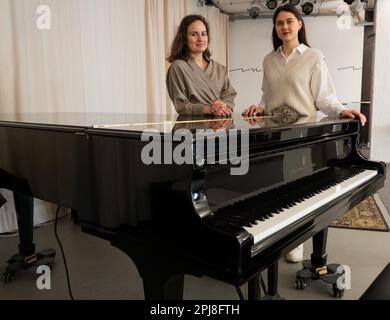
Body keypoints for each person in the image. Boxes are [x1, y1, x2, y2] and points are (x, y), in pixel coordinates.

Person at [243, 4, 366, 263]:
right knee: (274, 188)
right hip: (272, 136)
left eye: (289, 21)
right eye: (279, 23)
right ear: (275, 28)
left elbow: (325, 99)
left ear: (300, 24)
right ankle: (276, 234)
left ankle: (296, 240)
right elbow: (266, 97)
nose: (284, 27)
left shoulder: (313, 57)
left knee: (299, 191)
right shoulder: (268, 60)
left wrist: (342, 111)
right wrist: (259, 107)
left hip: (302, 136)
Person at [166, 14, 236, 117]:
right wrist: (209, 109)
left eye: (203, 34)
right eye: (194, 34)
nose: (200, 39)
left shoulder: (219, 68)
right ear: (184, 38)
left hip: (221, 127)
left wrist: (222, 106)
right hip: (192, 128)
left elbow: (229, 96)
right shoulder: (178, 67)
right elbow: (181, 105)